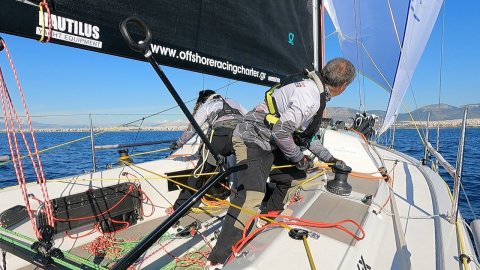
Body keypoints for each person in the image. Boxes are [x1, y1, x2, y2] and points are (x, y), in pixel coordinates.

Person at [207, 58, 356, 267]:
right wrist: (299, 158)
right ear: (343, 86)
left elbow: (306, 138)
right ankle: (220, 258)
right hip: (251, 139)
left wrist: (330, 159)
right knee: (251, 195)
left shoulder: (312, 89)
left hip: (270, 144)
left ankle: (266, 218)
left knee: (294, 178)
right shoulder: (310, 97)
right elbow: (282, 132)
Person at [168, 89, 246, 213]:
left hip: (221, 138)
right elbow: (248, 118)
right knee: (243, 171)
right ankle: (243, 204)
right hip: (241, 137)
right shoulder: (233, 102)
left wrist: (178, 143)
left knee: (199, 173)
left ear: (204, 99)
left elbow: (192, 128)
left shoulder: (207, 106)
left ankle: (179, 208)